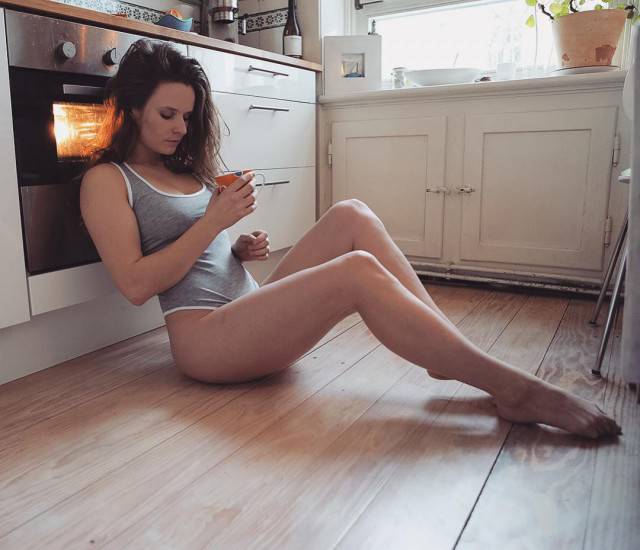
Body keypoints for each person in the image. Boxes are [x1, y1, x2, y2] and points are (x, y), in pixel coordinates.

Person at [80, 39, 621, 440]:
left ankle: (446, 350)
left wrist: (236, 246)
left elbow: (201, 247)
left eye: (187, 115)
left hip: (249, 311)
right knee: (356, 271)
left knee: (351, 213)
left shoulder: (186, 168)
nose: (180, 127)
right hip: (206, 344)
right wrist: (213, 224)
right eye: (167, 115)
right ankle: (514, 389)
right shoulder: (108, 180)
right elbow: (134, 283)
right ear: (130, 110)